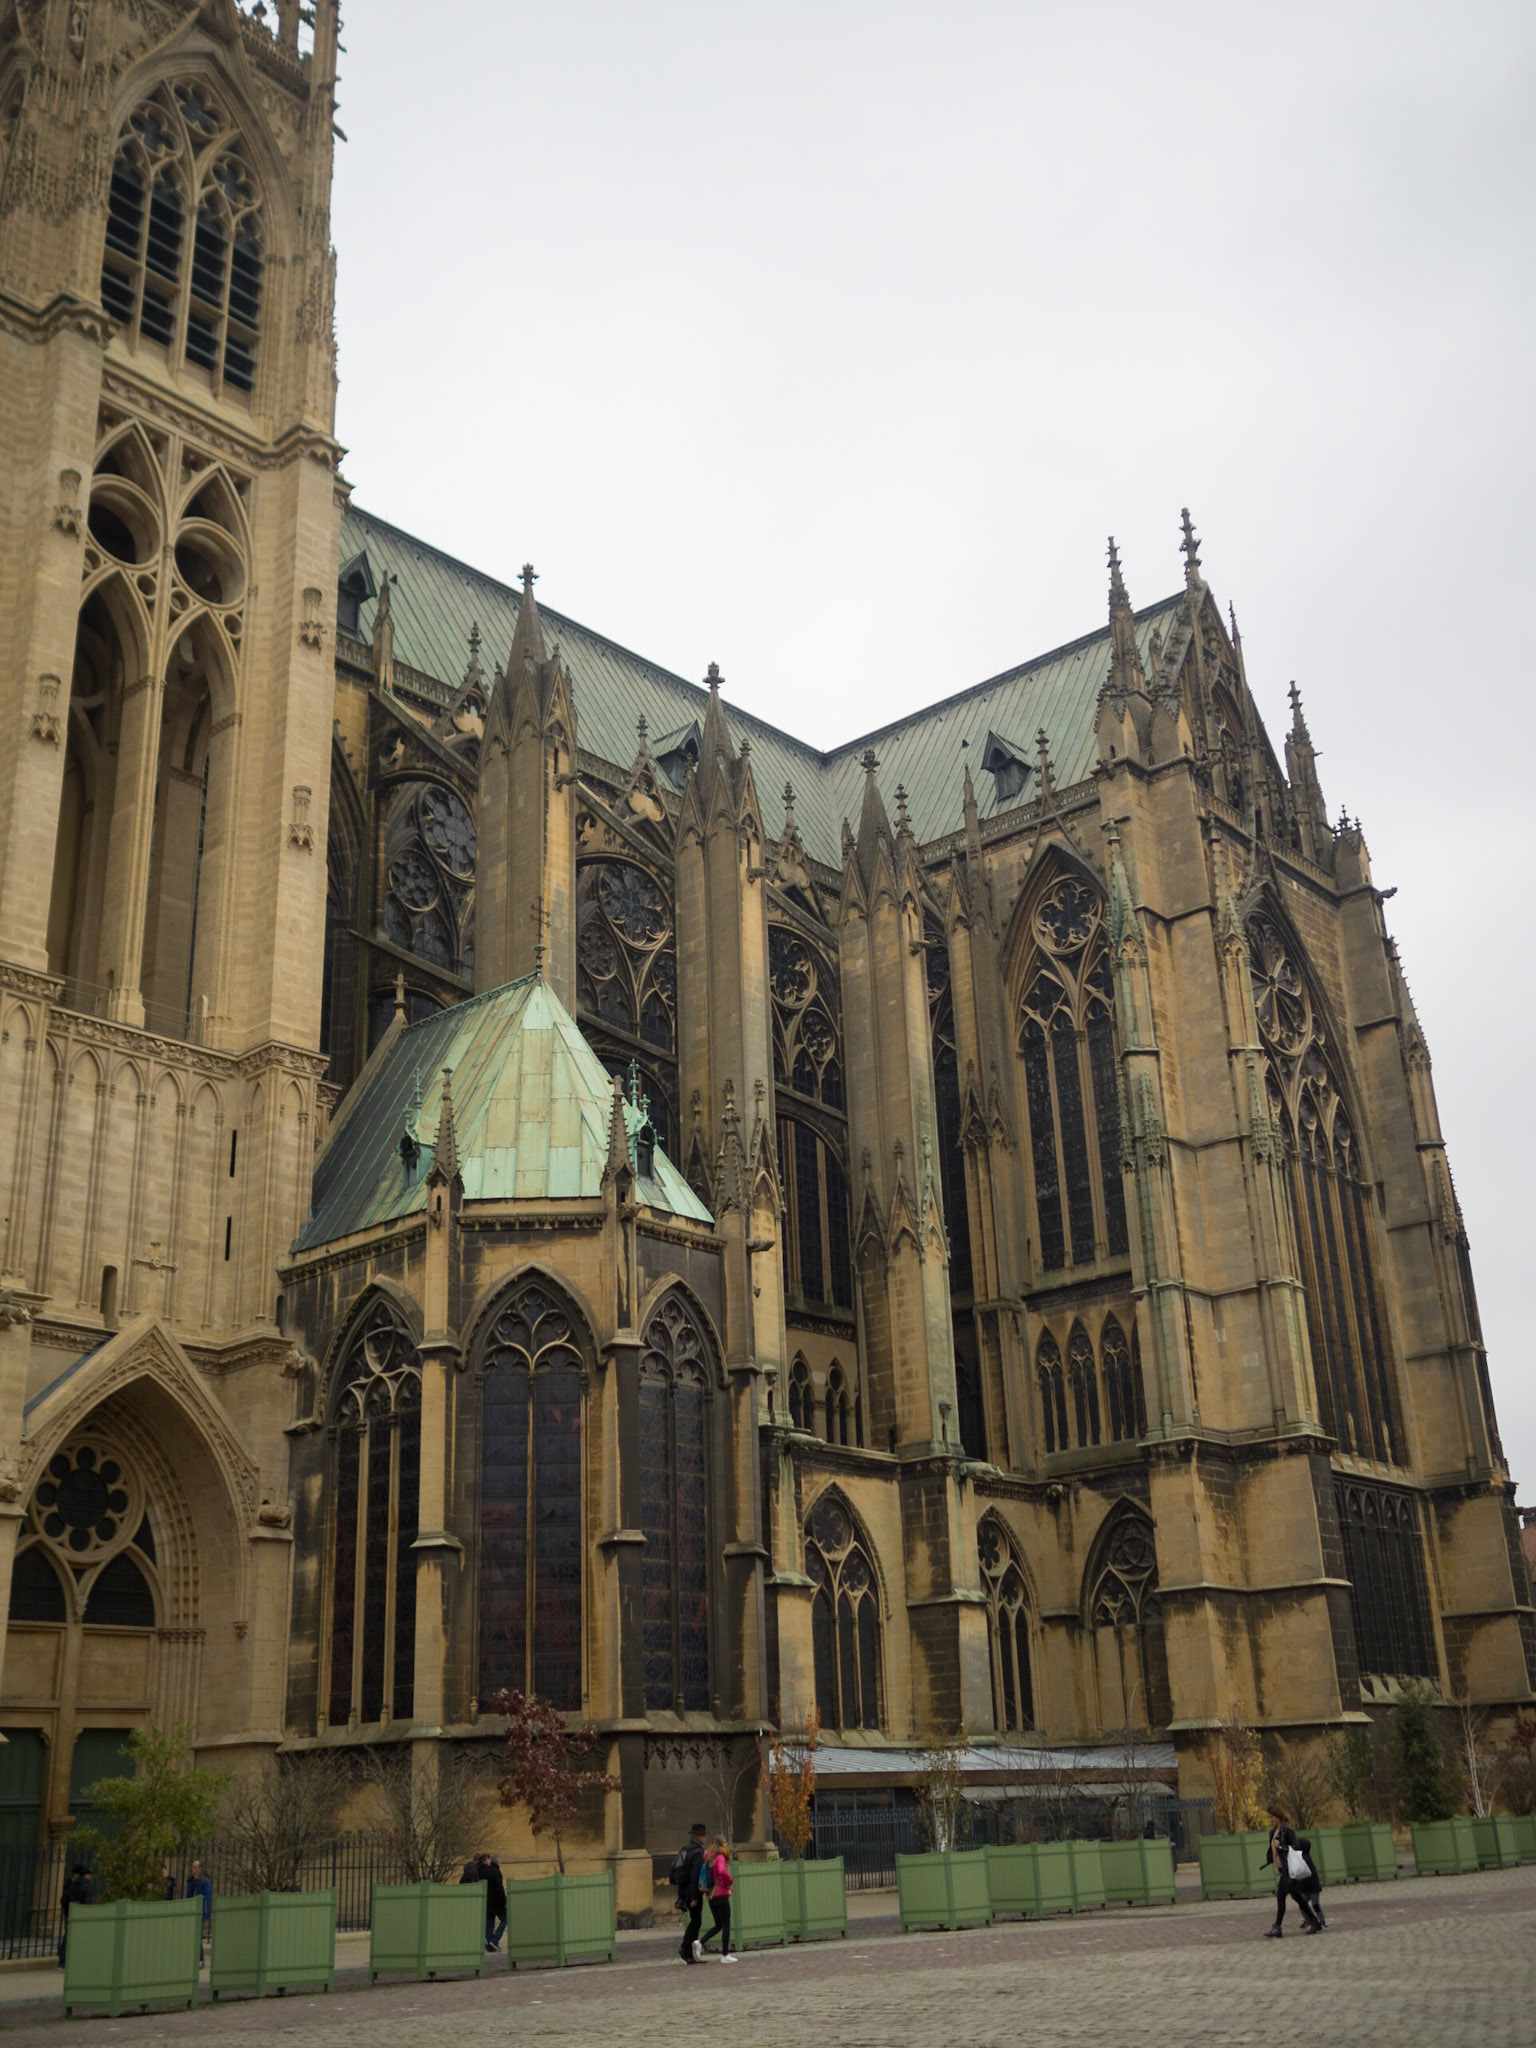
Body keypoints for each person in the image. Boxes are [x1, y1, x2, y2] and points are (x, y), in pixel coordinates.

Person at [1261, 1810, 1322, 1937]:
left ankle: (1277, 1927)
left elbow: (1296, 1846)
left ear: (1278, 1817)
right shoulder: (1273, 1833)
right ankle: (1314, 1921)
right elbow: (1272, 1850)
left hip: (1289, 1870)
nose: (1270, 1820)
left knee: (1281, 1896)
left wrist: (1282, 1847)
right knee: (1298, 1898)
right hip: (1282, 1870)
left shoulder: (1287, 1830)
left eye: (1272, 1817)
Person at [672, 1822, 709, 1965]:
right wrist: (694, 1896)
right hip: (692, 1891)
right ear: (700, 1836)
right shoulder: (698, 1852)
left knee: (695, 1920)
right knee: (696, 1921)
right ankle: (686, 1948)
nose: (705, 1838)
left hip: (684, 1889)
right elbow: (695, 1875)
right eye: (704, 1835)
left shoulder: (687, 1849)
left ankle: (688, 1951)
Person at [697, 1836, 736, 1963]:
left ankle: (699, 1942)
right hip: (721, 1894)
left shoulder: (709, 1857)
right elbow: (722, 1871)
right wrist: (730, 1881)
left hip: (711, 1895)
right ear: (721, 1844)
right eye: (725, 1842)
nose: (726, 1844)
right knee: (726, 1924)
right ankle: (725, 1955)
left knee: (718, 1924)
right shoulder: (720, 1857)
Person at [58, 1864, 92, 1969]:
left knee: (68, 1937)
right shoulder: (84, 1886)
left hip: (70, 1914)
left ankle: (64, 1961)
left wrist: (67, 1910)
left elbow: (63, 1900)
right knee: (72, 1939)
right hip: (79, 1915)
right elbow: (87, 1903)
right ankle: (67, 1961)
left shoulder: (71, 1885)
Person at [186, 1858, 213, 1958]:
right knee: (192, 1935)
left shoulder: (205, 1882)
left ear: (200, 1868)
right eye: (192, 1866)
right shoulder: (192, 1881)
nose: (192, 1869)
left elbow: (207, 1898)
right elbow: (188, 1896)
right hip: (192, 1910)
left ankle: (200, 1957)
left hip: (200, 1911)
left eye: (195, 1867)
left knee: (197, 1935)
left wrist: (206, 1915)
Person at [485, 1855, 507, 1953]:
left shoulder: (485, 1872)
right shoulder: (497, 1872)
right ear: (498, 1863)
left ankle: (490, 1943)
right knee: (505, 1920)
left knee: (490, 1923)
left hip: (487, 1902)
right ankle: (494, 1940)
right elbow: (499, 1888)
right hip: (497, 1903)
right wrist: (504, 1901)